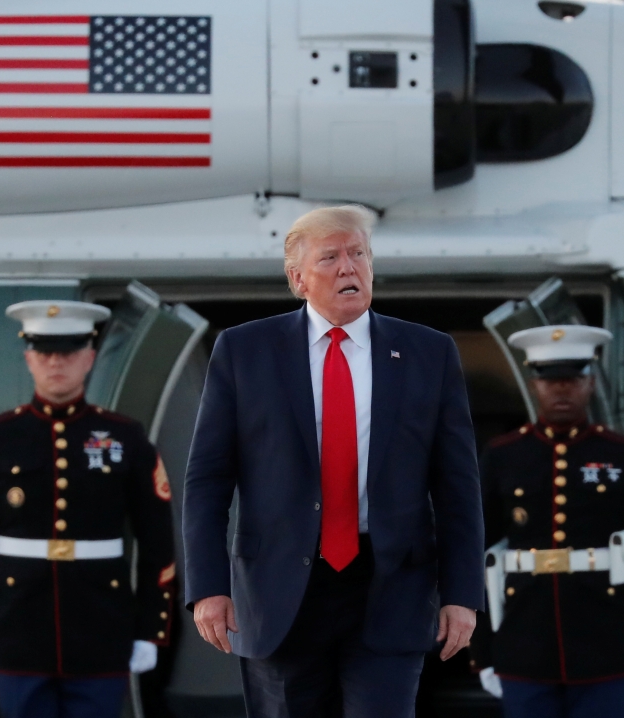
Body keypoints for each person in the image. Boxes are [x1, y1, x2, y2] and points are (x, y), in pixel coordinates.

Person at [182, 205, 485, 718]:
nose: (349, 267)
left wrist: (462, 592)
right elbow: (208, 479)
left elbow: (457, 485)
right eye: (331, 257)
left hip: (389, 586)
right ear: (297, 278)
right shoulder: (244, 350)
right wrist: (209, 587)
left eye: (359, 254)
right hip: (280, 591)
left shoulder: (427, 352)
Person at [0, 300, 176, 718]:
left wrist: (150, 630)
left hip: (100, 629)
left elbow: (157, 540)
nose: (57, 363)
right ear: (29, 359)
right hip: (17, 630)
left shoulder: (124, 437)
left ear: (89, 358)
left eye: (69, 351)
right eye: (44, 352)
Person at [470, 324, 624, 718]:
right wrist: (482, 651)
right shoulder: (502, 457)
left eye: (573, 378)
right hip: (523, 652)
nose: (562, 389)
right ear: (534, 385)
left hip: (606, 655)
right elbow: (469, 557)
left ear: (590, 383)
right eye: (550, 380)